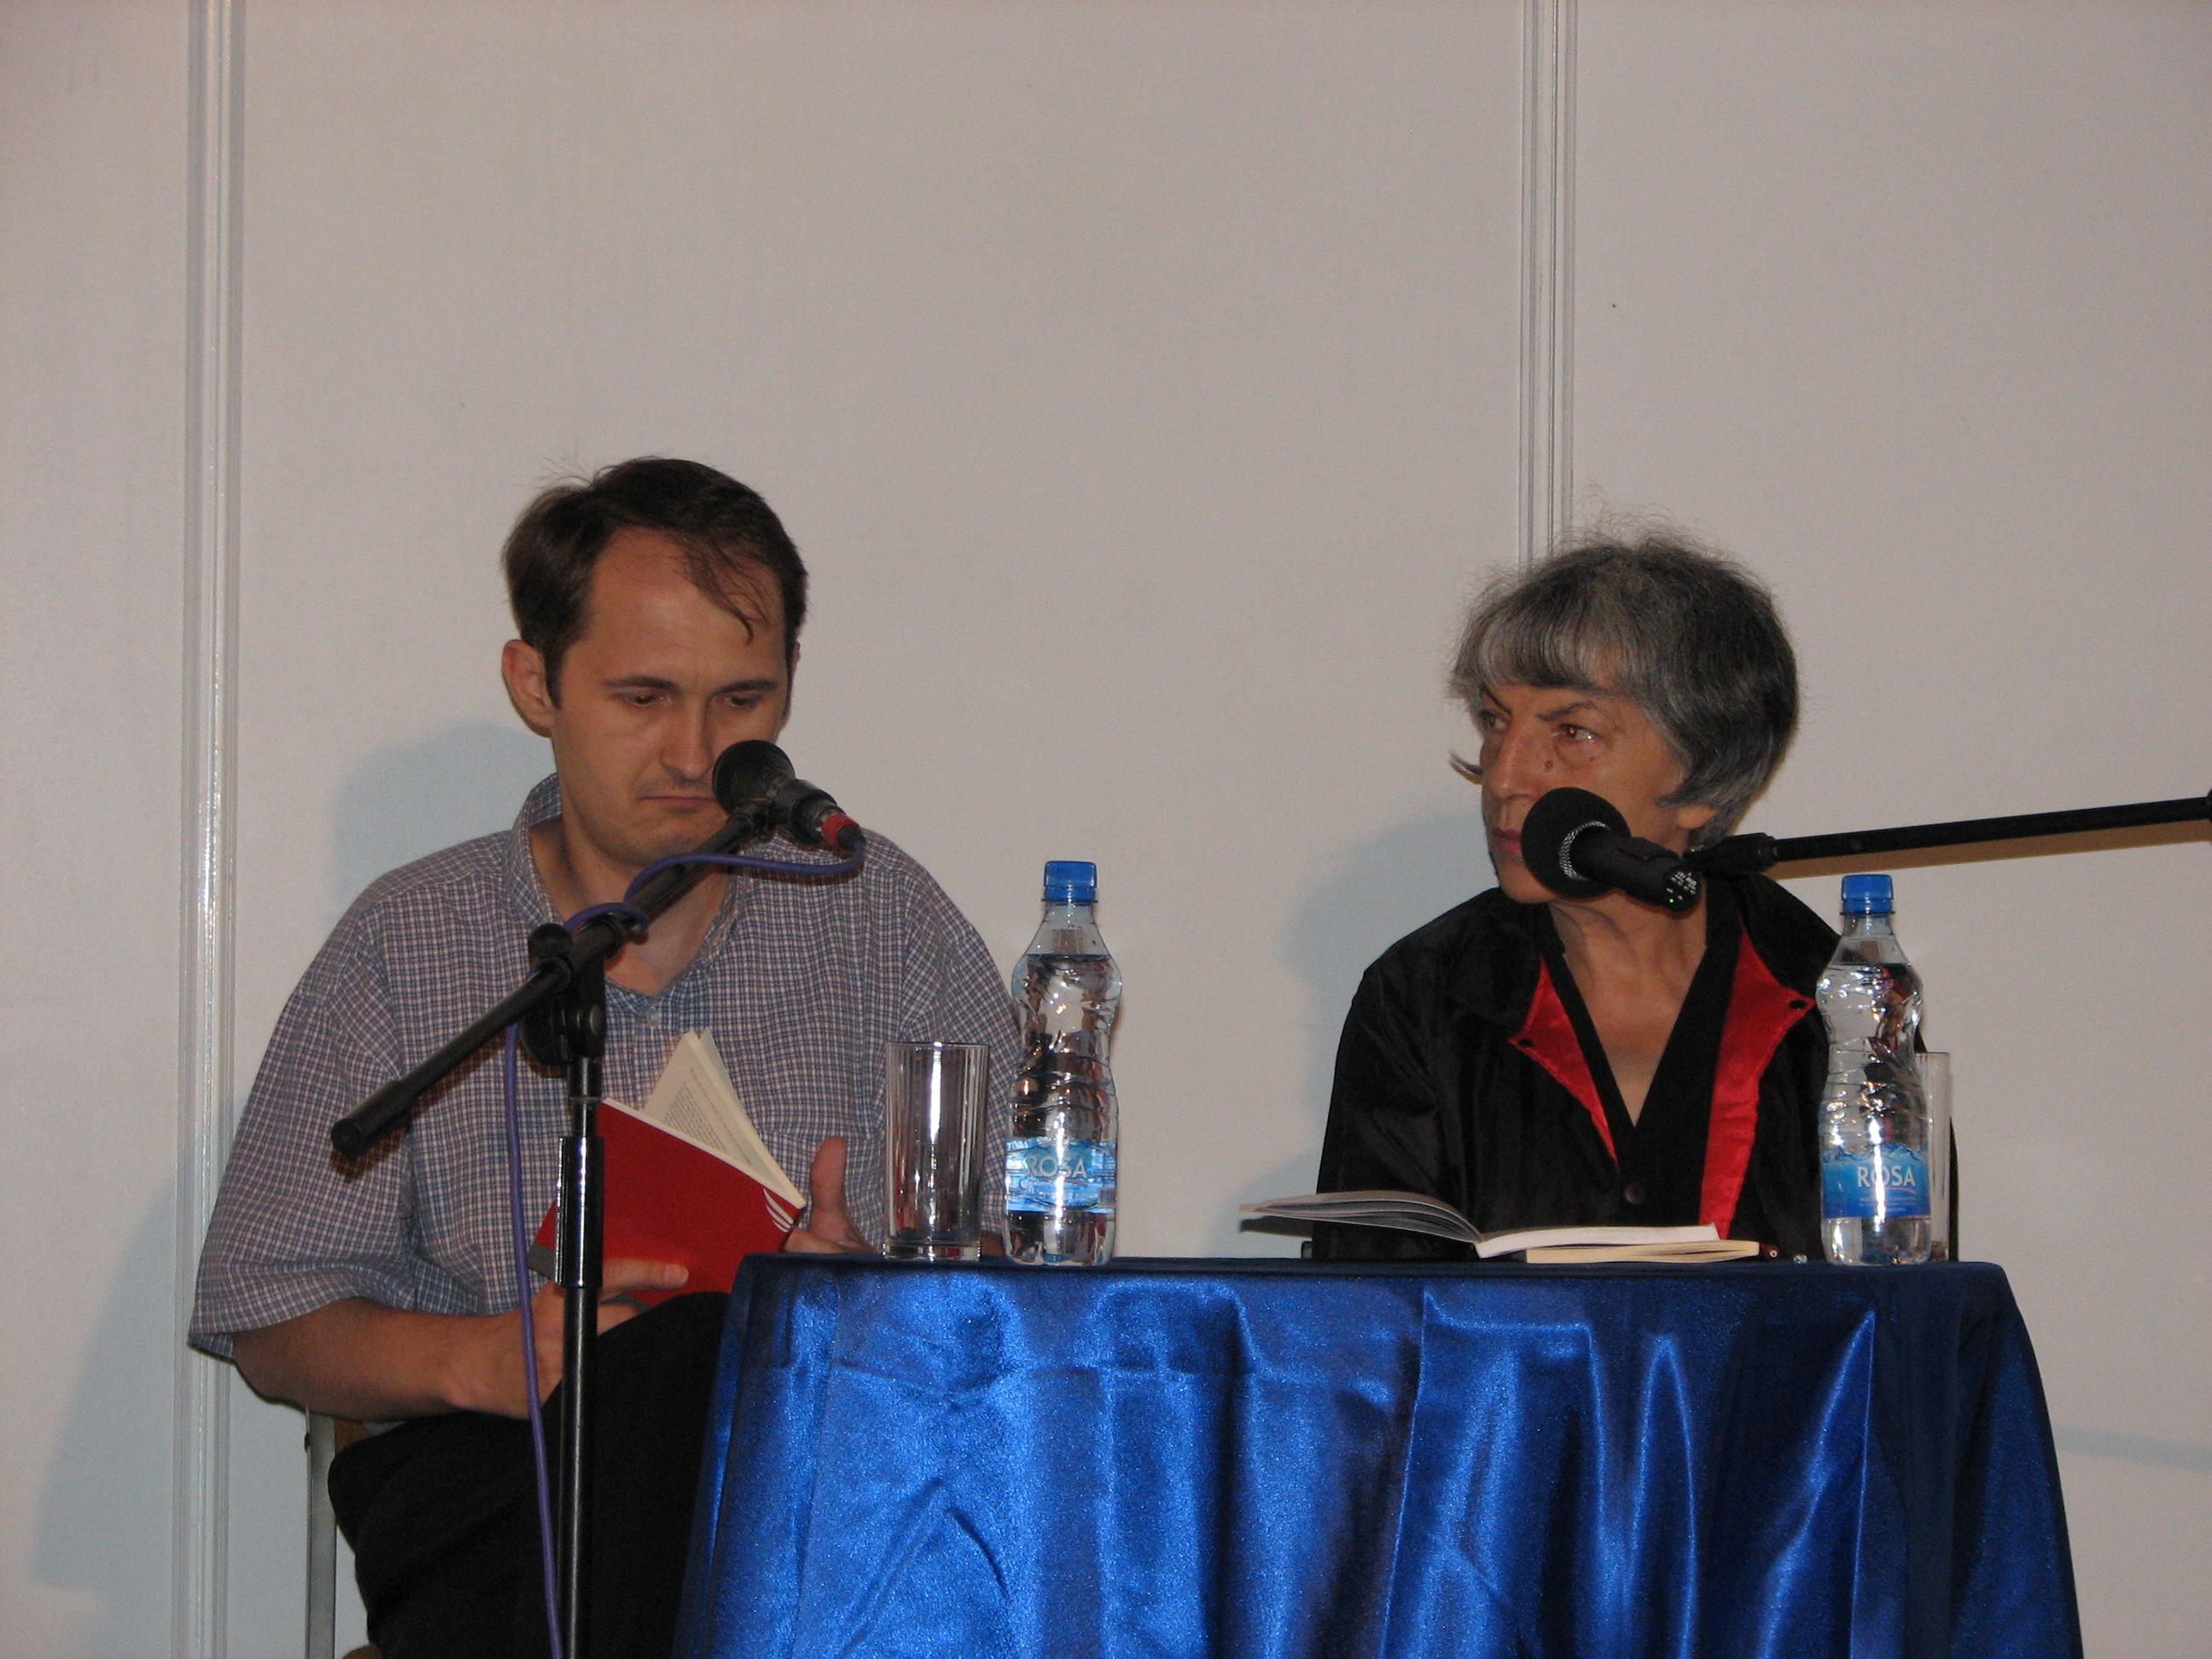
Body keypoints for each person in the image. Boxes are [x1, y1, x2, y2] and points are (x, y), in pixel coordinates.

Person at [189, 457, 1019, 1656]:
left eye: (742, 700)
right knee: (680, 1377)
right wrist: (484, 1357)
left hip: (821, 1498)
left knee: (723, 1371)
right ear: (537, 683)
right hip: (500, 1492)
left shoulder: (877, 912)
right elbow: (268, 1316)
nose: (694, 753)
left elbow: (1035, 1267)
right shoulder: (409, 941)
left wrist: (874, 1299)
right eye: (644, 697)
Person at [1313, 532, 1834, 1260]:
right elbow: (1366, 1310)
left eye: (1574, 731)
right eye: (1495, 722)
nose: (1505, 779)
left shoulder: (1830, 995)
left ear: (1705, 778)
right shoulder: (1422, 996)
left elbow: (1904, 1293)